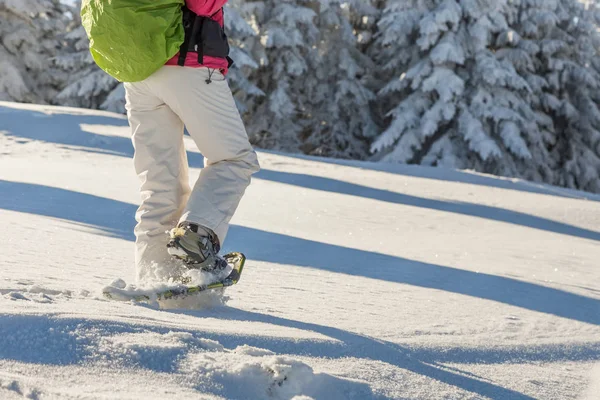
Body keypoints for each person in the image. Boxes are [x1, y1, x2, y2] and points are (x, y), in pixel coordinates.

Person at [122, 0, 260, 282]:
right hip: (187, 63)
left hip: (138, 72)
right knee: (234, 160)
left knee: (160, 184)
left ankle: (156, 280)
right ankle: (195, 236)